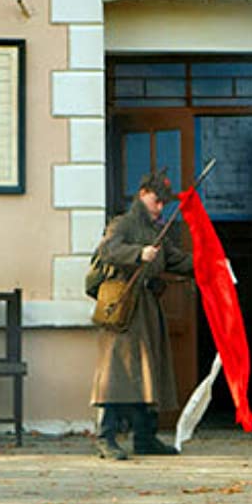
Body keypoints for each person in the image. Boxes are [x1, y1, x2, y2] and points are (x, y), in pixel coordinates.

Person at [91, 171, 193, 460]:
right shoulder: (122, 223)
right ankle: (105, 436)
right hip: (123, 308)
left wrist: (209, 264)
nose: (160, 207)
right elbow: (108, 250)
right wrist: (139, 253)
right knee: (116, 374)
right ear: (143, 193)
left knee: (148, 373)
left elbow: (176, 259)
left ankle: (145, 437)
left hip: (147, 307)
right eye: (156, 200)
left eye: (164, 203)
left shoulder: (156, 229)